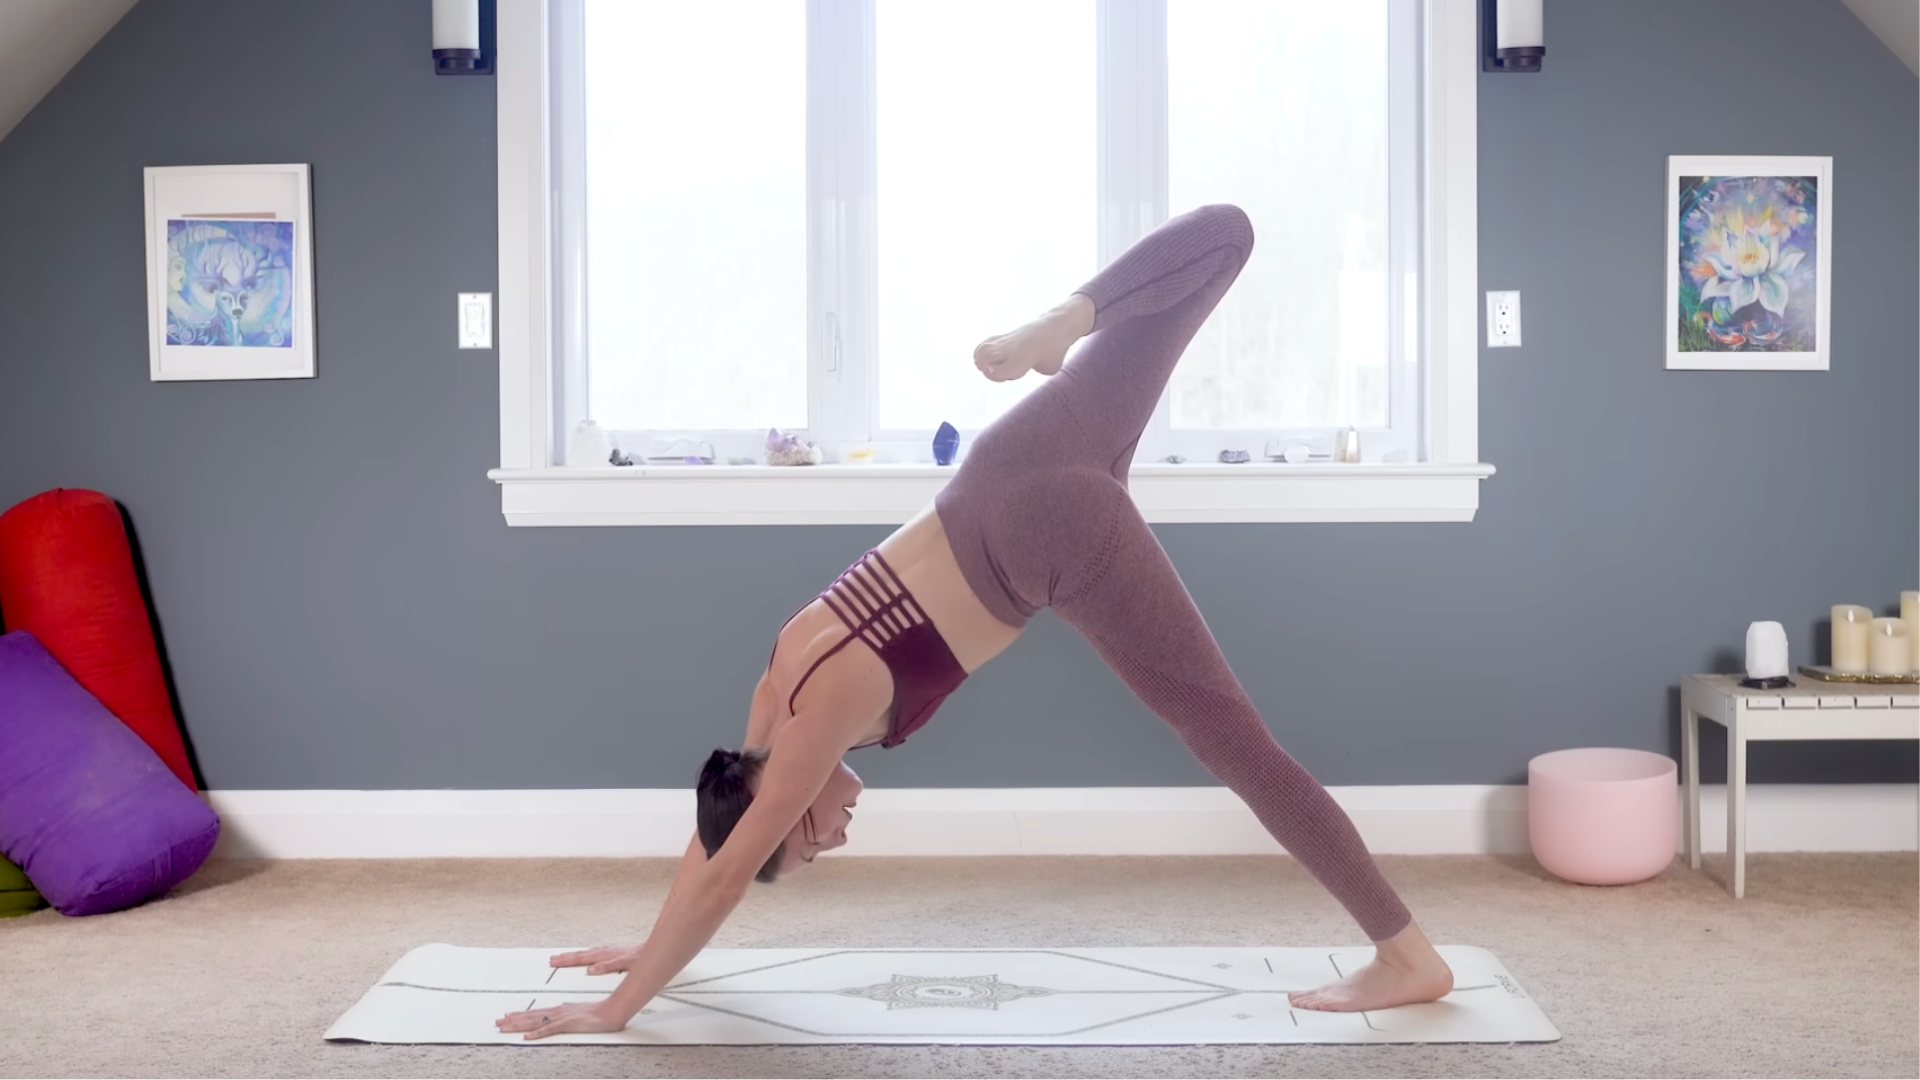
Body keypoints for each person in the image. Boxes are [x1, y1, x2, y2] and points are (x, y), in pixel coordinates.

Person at [495, 204, 1454, 1041]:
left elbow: (723, 872)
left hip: (1046, 538)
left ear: (778, 797)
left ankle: (1409, 959)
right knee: (1226, 237)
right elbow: (715, 846)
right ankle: (1068, 319)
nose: (829, 838)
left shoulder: (814, 727)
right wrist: (652, 946)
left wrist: (619, 1011)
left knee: (1233, 741)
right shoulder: (779, 678)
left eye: (806, 836)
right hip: (1016, 456)